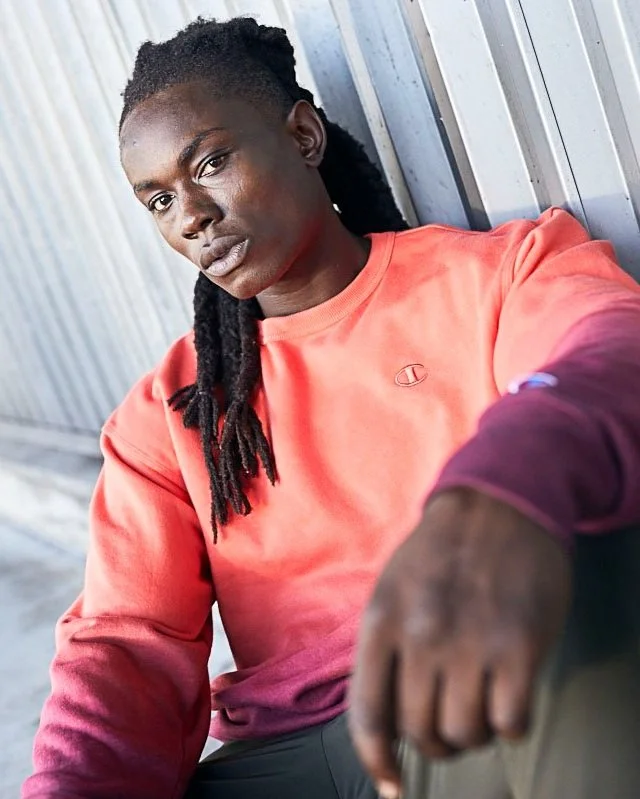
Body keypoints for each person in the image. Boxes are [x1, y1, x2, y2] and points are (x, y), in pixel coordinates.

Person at [23, 16, 640, 799]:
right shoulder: (167, 413)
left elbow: (607, 351)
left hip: (460, 710)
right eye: (159, 200)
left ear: (304, 136)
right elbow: (124, 645)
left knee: (596, 594)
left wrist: (502, 484)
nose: (191, 215)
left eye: (210, 163)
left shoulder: (498, 274)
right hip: (278, 758)